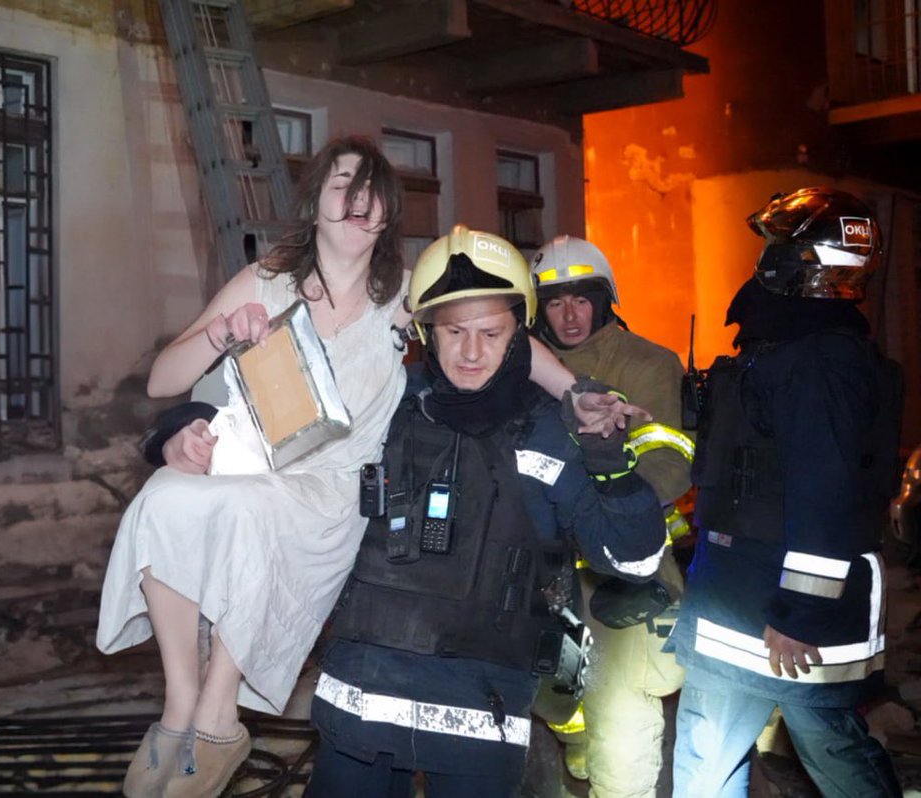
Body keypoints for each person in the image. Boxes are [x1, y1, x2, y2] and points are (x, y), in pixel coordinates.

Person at [97, 137, 637, 798]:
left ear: (386, 216)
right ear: (316, 200)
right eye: (344, 184)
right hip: (262, 463)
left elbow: (494, 327)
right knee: (162, 499)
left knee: (245, 512)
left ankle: (218, 712)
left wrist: (580, 392)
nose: (359, 200)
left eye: (374, 190)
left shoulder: (401, 295)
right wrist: (218, 342)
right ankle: (181, 704)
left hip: (333, 490)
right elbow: (163, 382)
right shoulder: (266, 280)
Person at [302, 225, 667, 796]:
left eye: (491, 333)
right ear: (426, 330)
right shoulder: (384, 405)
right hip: (361, 702)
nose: (472, 352)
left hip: (480, 714)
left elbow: (635, 561)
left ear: (520, 333)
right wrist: (184, 430)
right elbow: (274, 446)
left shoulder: (549, 431)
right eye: (454, 332)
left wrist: (612, 467)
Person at [668, 187, 903, 797]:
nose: (766, 258)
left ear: (809, 263)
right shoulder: (783, 349)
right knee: (704, 764)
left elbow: (827, 492)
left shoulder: (822, 360)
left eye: (779, 245)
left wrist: (800, 612)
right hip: (736, 600)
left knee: (837, 760)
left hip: (786, 619)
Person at [530, 235, 692, 797]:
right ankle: (577, 755)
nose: (568, 315)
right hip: (542, 571)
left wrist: (599, 512)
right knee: (556, 697)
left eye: (581, 299)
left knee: (622, 718)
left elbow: (668, 466)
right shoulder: (524, 365)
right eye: (554, 301)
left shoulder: (646, 363)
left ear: (604, 301)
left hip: (623, 574)